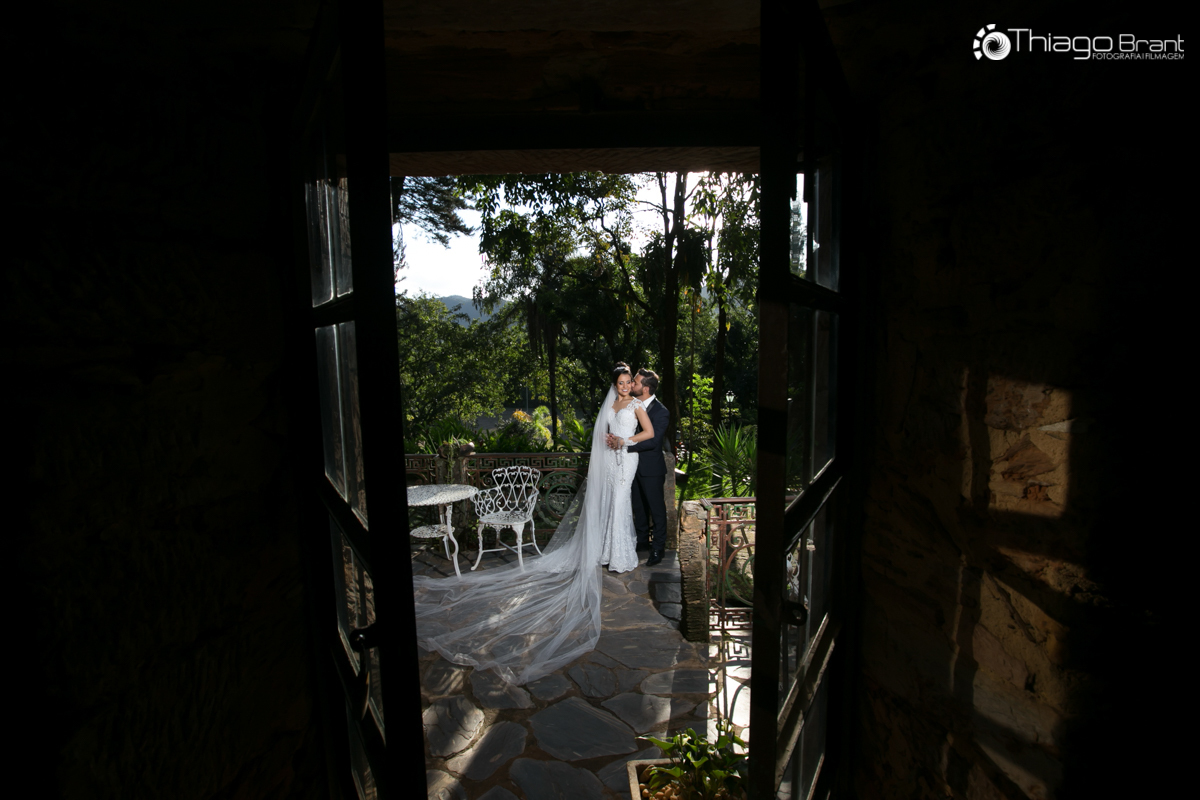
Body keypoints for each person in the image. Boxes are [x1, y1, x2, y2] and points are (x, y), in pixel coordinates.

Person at [410, 362, 655, 685]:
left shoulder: (637, 405)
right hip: (609, 461)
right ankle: (606, 552)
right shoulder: (609, 406)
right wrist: (609, 444)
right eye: (621, 383)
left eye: (628, 383)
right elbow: (601, 438)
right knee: (610, 505)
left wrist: (625, 442)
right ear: (614, 384)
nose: (625, 386)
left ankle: (620, 554)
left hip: (627, 459)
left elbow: (649, 433)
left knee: (621, 504)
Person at [608, 368, 670, 566]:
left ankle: (658, 548)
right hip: (629, 466)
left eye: (635, 382)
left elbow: (653, 441)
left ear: (645, 388)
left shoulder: (661, 411)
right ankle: (641, 542)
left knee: (656, 509)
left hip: (650, 468)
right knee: (638, 507)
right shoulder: (629, 405)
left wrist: (624, 444)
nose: (631, 385)